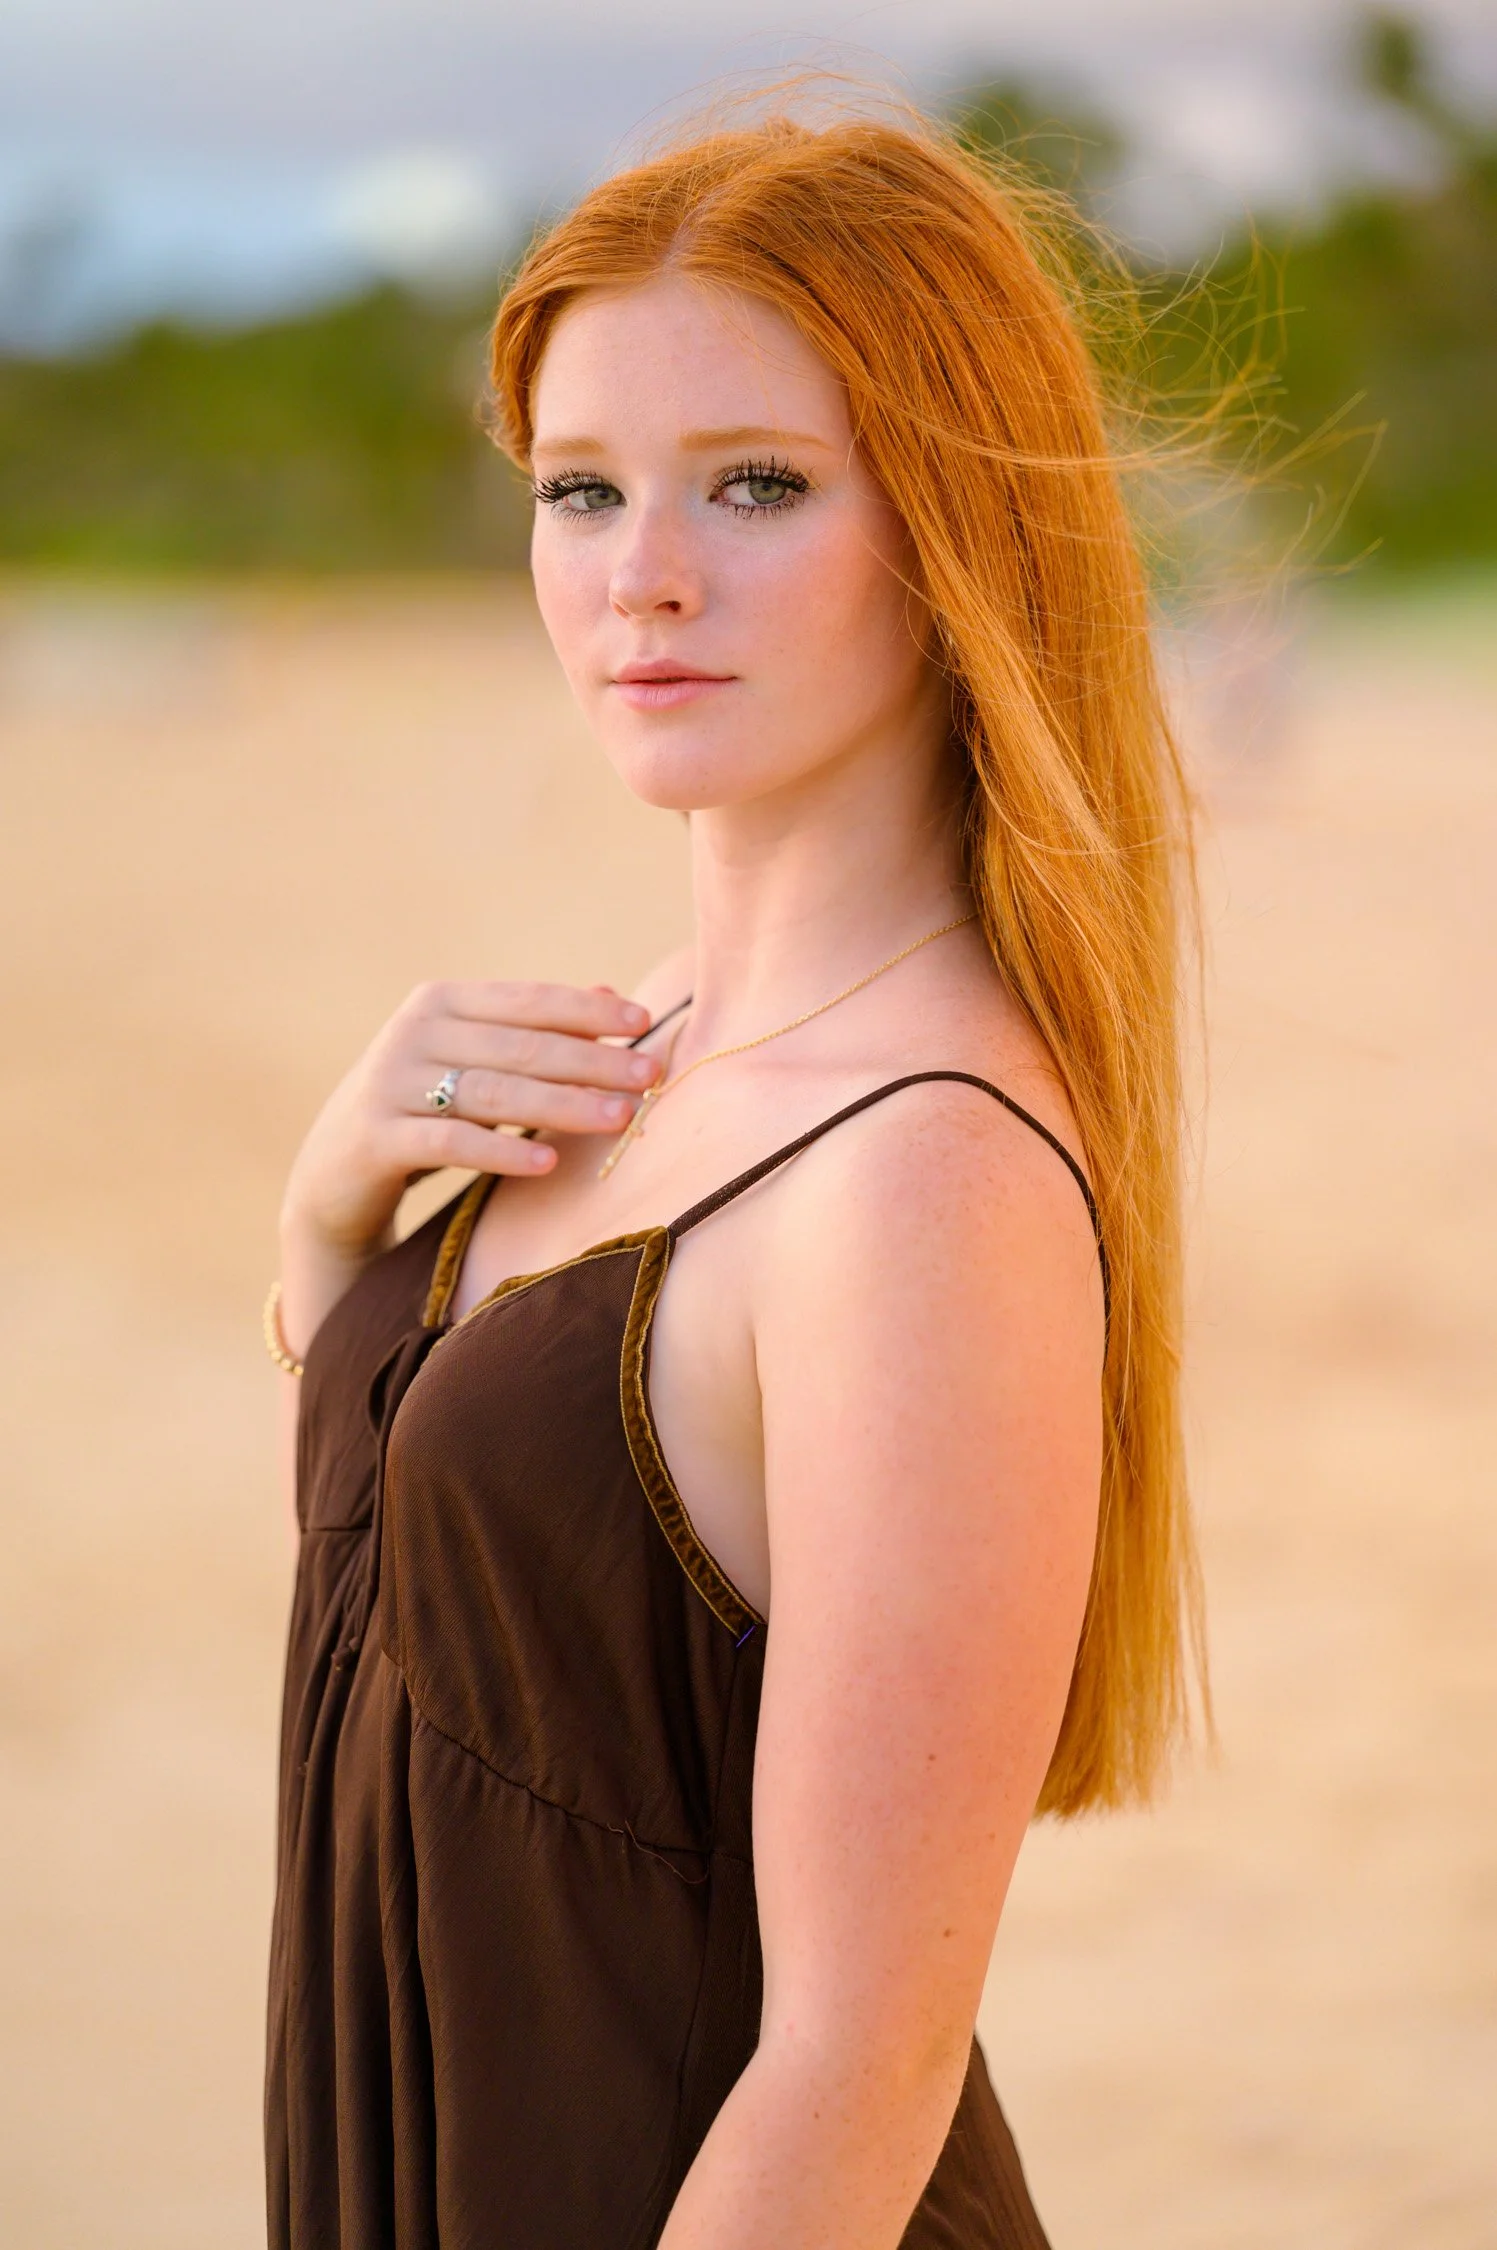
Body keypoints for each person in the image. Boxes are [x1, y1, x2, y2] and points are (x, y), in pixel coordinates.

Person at [262, 102, 1199, 2250]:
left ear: (954, 525)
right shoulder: (642, 1046)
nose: (640, 574)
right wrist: (333, 1220)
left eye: (755, 485)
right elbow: (447, 1611)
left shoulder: (918, 1178)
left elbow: (854, 2067)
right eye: (578, 490)